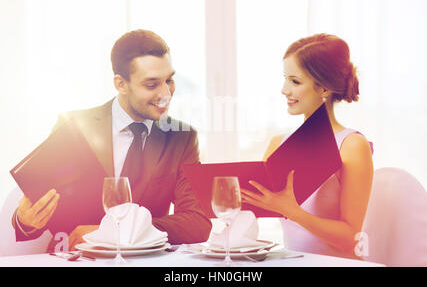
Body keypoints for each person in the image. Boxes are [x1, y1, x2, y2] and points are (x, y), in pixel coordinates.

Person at [12, 29, 212, 250]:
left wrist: (117, 233)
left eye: (169, 80)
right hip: (76, 260)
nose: (166, 93)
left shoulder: (181, 138)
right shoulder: (74, 127)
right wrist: (26, 221)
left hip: (143, 263)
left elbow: (197, 223)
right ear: (121, 84)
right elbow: (42, 207)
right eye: (152, 84)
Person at [241, 33, 374, 259]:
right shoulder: (278, 144)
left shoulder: (351, 145)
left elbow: (351, 237)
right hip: (293, 262)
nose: (284, 89)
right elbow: (258, 208)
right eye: (285, 78)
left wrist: (292, 212)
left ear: (324, 89)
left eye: (295, 81)